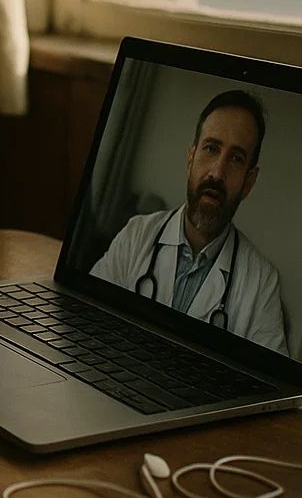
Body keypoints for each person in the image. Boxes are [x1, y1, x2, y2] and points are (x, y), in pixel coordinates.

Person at [89, 90, 288, 355]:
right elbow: (87, 321)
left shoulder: (262, 282)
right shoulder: (136, 235)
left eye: (236, 158)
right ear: (190, 159)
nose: (217, 172)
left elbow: (270, 384)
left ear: (249, 182)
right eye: (211, 148)